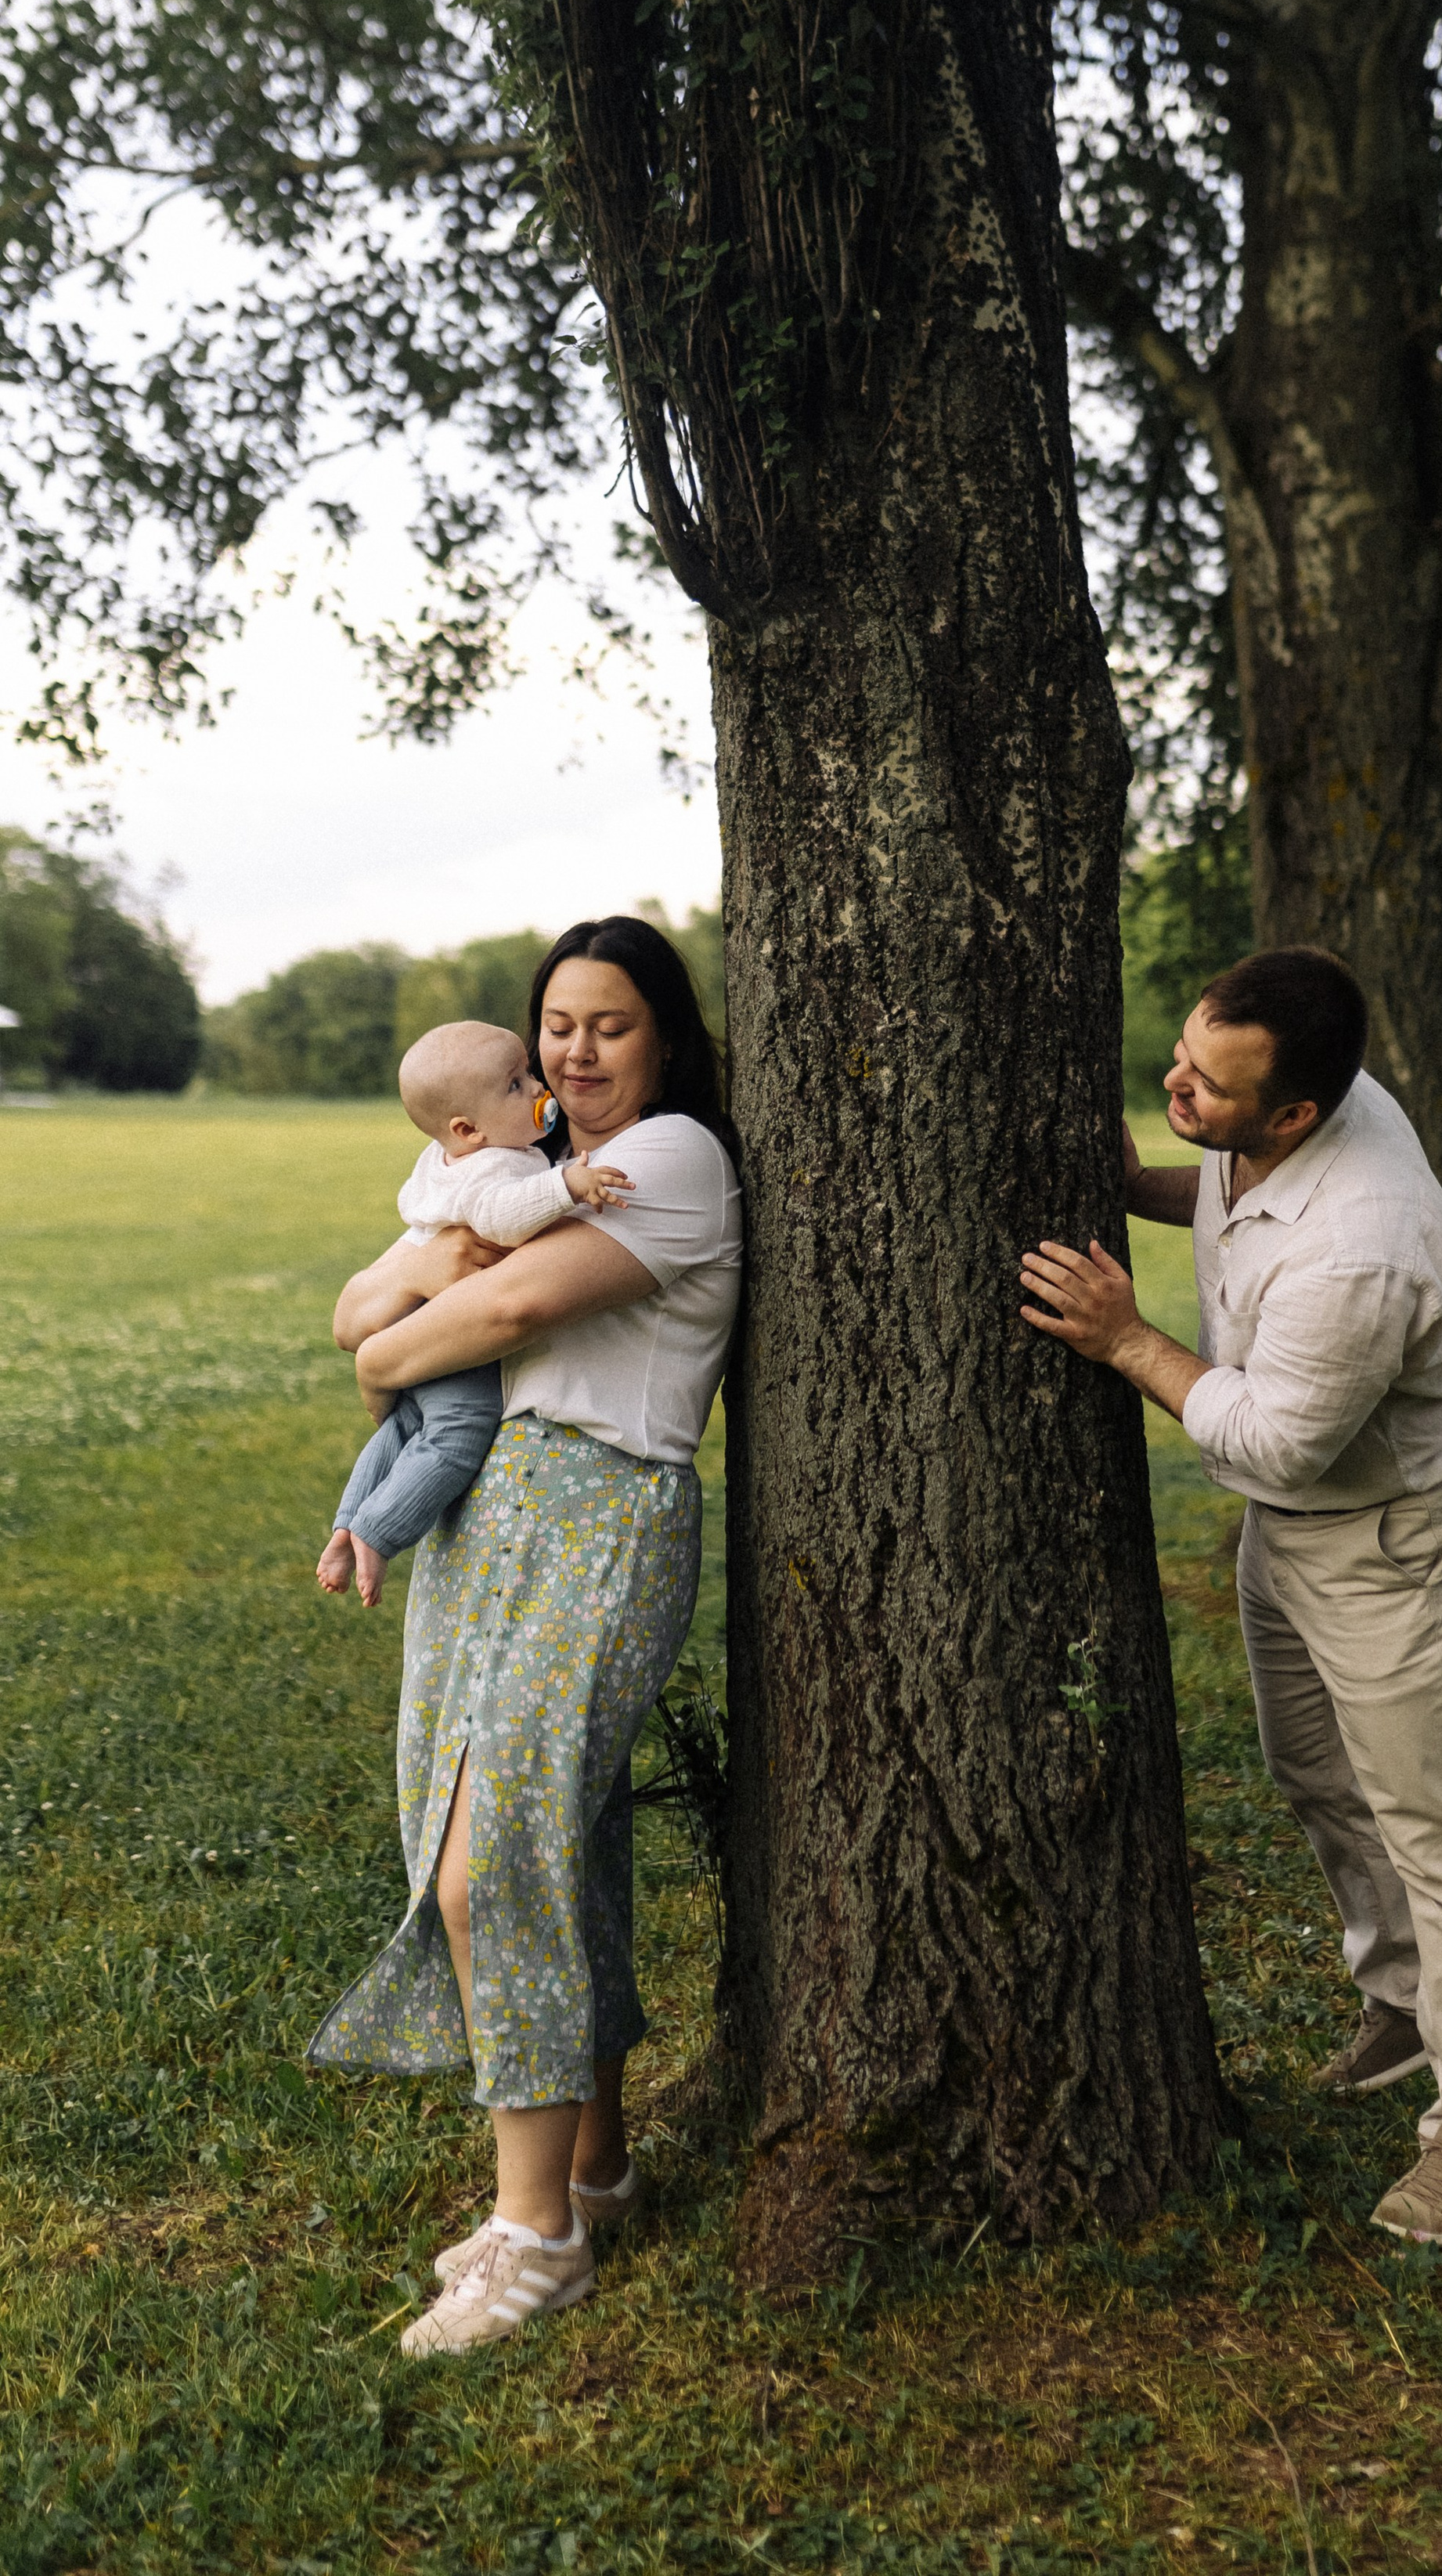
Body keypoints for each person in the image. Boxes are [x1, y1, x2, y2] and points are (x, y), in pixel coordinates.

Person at [1018, 947, 1442, 2249]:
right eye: (1184, 1056)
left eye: (1211, 1087)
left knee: (1440, 1828)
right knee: (1313, 1771)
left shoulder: (1366, 1247)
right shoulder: (1306, 1097)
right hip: (1299, 1529)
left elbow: (1268, 1439)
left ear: (1298, 1115)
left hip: (1392, 1534)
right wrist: (1149, 1182)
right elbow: (1239, 1192)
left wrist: (1129, 1339)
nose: (1177, 1084)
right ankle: (1408, 2003)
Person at [307, 916, 741, 2354]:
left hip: (602, 1515)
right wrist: (413, 1303)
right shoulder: (530, 1173)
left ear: (664, 1038)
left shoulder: (670, 1159)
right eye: (558, 1026)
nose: (578, 1050)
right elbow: (353, 1307)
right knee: (552, 1844)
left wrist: (405, 1326)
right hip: (492, 1526)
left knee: (488, 1864)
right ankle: (593, 2169)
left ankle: (534, 2236)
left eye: (610, 1025)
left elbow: (485, 1308)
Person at [315, 1019, 633, 1610]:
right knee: (458, 1434)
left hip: (416, 1330)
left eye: (527, 1072)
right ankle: (377, 1536)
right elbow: (503, 1217)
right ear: (468, 1129)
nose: (538, 1088)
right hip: (452, 1335)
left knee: (406, 1427)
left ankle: (347, 1522)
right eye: (517, 1085)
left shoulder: (446, 1159)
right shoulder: (497, 1167)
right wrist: (567, 1183)